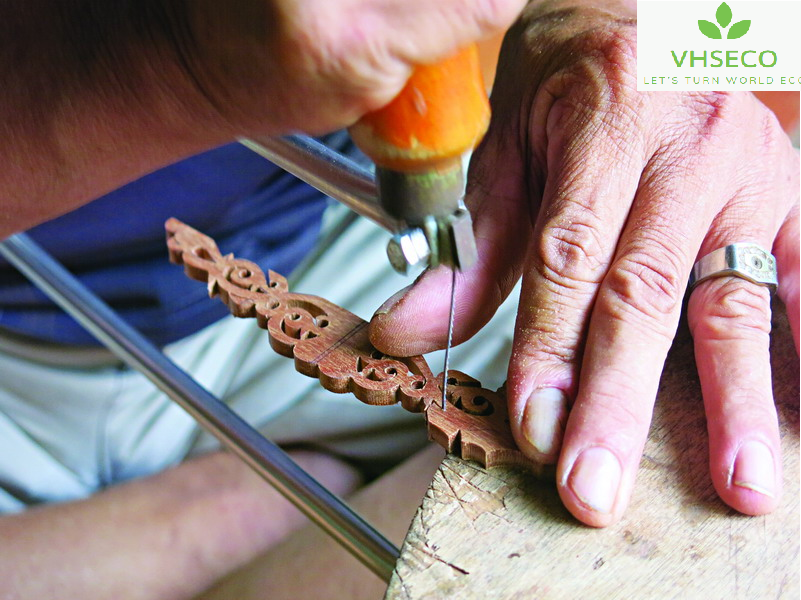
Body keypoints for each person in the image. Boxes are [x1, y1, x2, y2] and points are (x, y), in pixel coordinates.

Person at [0, 0, 797, 598]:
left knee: (735, 373)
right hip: (18, 358)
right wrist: (175, 61)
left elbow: (778, 32)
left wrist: (623, 32)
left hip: (335, 230)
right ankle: (228, 510)